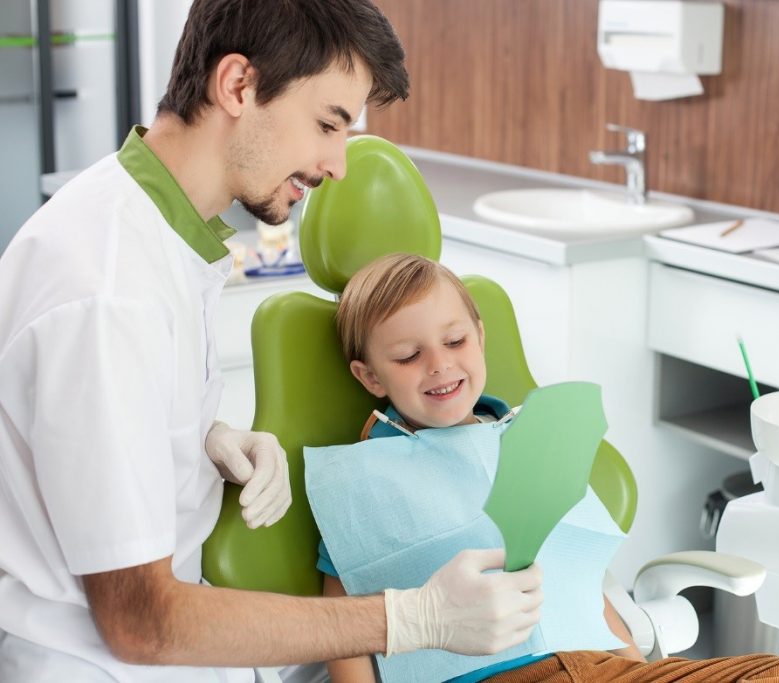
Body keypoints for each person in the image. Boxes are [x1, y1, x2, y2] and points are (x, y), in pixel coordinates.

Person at [0, 2, 541, 681]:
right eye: (327, 124)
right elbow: (142, 621)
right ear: (236, 86)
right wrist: (411, 618)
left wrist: (201, 438)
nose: (338, 164)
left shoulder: (159, 234)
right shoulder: (109, 290)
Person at [321, 252, 779, 682]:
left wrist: (639, 670)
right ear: (370, 376)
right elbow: (346, 627)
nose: (439, 364)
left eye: (455, 342)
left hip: (597, 665)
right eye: (409, 356)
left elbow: (582, 585)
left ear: (479, 337)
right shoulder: (363, 485)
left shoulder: (531, 441)